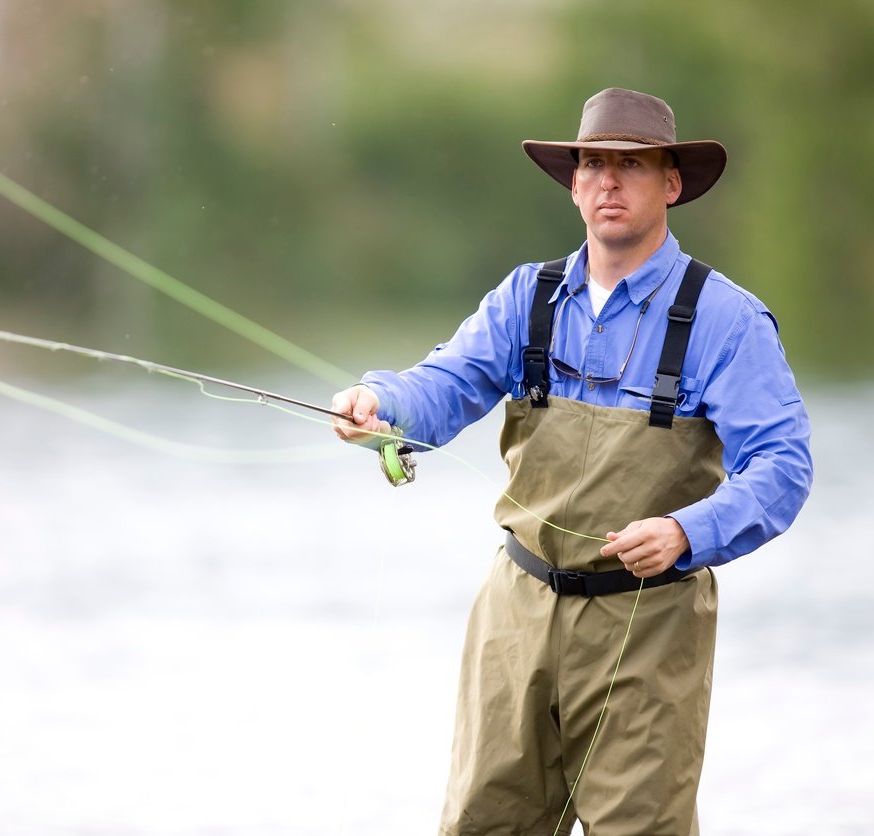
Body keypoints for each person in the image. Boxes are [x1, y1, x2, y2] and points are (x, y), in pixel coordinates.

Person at [331, 88, 813, 835]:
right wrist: (379, 402)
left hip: (651, 625)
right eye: (592, 164)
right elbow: (444, 386)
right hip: (515, 616)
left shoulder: (728, 319)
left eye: (630, 165)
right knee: (483, 824)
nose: (607, 183)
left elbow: (782, 466)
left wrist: (688, 531)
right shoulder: (527, 296)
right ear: (574, 183)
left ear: (671, 184)